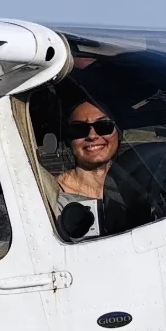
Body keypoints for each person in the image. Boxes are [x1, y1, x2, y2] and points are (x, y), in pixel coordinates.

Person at [55, 99, 121, 239]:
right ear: (69, 140)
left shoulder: (136, 183)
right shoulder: (53, 193)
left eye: (104, 126)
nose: (92, 136)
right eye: (79, 129)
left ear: (119, 133)